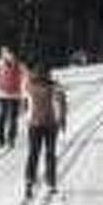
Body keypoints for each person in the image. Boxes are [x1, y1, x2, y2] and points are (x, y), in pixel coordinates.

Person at [20, 65, 68, 197]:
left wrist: (25, 118)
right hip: (50, 124)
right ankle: (50, 182)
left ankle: (30, 181)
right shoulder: (54, 86)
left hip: (35, 125)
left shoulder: (28, 85)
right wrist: (62, 120)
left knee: (34, 153)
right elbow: (62, 104)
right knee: (49, 153)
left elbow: (24, 105)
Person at [0, 47, 26, 148]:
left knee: (9, 117)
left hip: (12, 94)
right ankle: (4, 139)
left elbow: (26, 77)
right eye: (8, 53)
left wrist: (25, 92)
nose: (10, 56)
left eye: (11, 53)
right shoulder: (0, 64)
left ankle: (8, 139)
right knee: (5, 117)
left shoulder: (18, 65)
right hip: (6, 94)